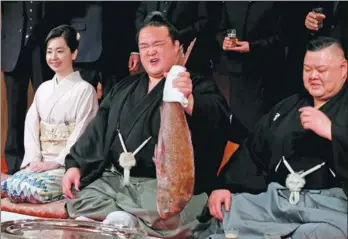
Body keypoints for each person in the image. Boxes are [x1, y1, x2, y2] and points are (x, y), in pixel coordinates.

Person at [62, 12, 229, 238]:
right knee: (78, 199)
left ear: (176, 46)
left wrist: (189, 102)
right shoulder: (125, 87)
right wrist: (77, 164)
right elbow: (98, 129)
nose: (150, 51)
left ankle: (120, 218)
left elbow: (217, 118)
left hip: (162, 188)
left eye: (158, 44)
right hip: (119, 182)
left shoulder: (196, 84)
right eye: (144, 46)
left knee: (173, 210)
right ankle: (132, 221)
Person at [199, 37, 348, 239]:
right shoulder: (287, 108)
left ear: (343, 68)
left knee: (320, 233)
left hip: (328, 207)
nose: (313, 76)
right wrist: (225, 186)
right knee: (227, 211)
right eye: (307, 69)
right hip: (278, 201)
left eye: (321, 70)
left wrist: (334, 132)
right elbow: (253, 150)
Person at [1, 25, 99, 204]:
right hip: (40, 163)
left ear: (74, 53)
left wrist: (56, 163)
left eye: (60, 51)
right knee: (10, 186)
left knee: (34, 189)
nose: (53, 57)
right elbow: (32, 127)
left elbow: (82, 132)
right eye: (49, 52)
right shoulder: (43, 89)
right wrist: (35, 160)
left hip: (66, 165)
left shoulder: (85, 90)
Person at [215, 2, 287, 144]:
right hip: (237, 72)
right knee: (239, 125)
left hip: (265, 73)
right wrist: (223, 40)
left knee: (260, 126)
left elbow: (283, 37)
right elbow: (221, 29)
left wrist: (252, 47)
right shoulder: (230, 4)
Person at [1, 1, 59, 174]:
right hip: (12, 46)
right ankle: (14, 165)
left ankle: (45, 161)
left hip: (44, 47)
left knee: (47, 110)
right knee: (14, 111)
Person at [129, 1, 214, 76]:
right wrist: (148, 35)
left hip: (188, 57)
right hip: (153, 63)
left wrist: (174, 36)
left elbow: (204, 21)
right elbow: (140, 14)